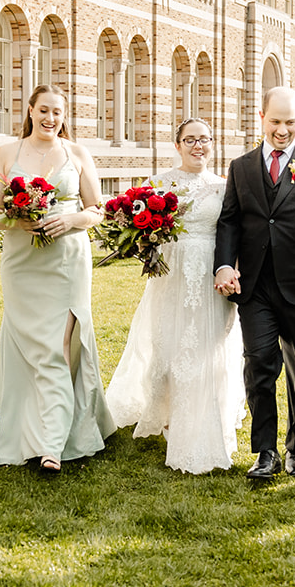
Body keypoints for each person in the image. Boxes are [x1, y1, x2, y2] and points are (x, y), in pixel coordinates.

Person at [213, 86, 295, 483]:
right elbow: (229, 221)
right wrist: (223, 265)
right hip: (255, 288)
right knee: (258, 364)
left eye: (290, 122)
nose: (283, 130)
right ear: (261, 117)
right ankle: (266, 451)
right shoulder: (241, 167)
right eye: (275, 121)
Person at [0, 83, 115, 472]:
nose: (50, 119)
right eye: (43, 110)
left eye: (57, 112)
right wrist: (17, 219)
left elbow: (98, 209)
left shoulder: (76, 154)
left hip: (67, 261)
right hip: (22, 263)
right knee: (30, 347)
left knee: (60, 349)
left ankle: (52, 447)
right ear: (29, 110)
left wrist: (73, 219)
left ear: (64, 116)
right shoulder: (7, 153)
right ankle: (29, 431)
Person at [105, 119, 247, 474]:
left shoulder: (225, 187)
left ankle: (204, 420)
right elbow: (139, 229)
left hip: (212, 275)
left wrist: (233, 270)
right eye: (190, 139)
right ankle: (168, 415)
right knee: (167, 350)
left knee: (208, 349)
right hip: (171, 276)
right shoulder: (158, 185)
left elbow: (235, 233)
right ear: (178, 144)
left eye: (204, 139)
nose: (198, 145)